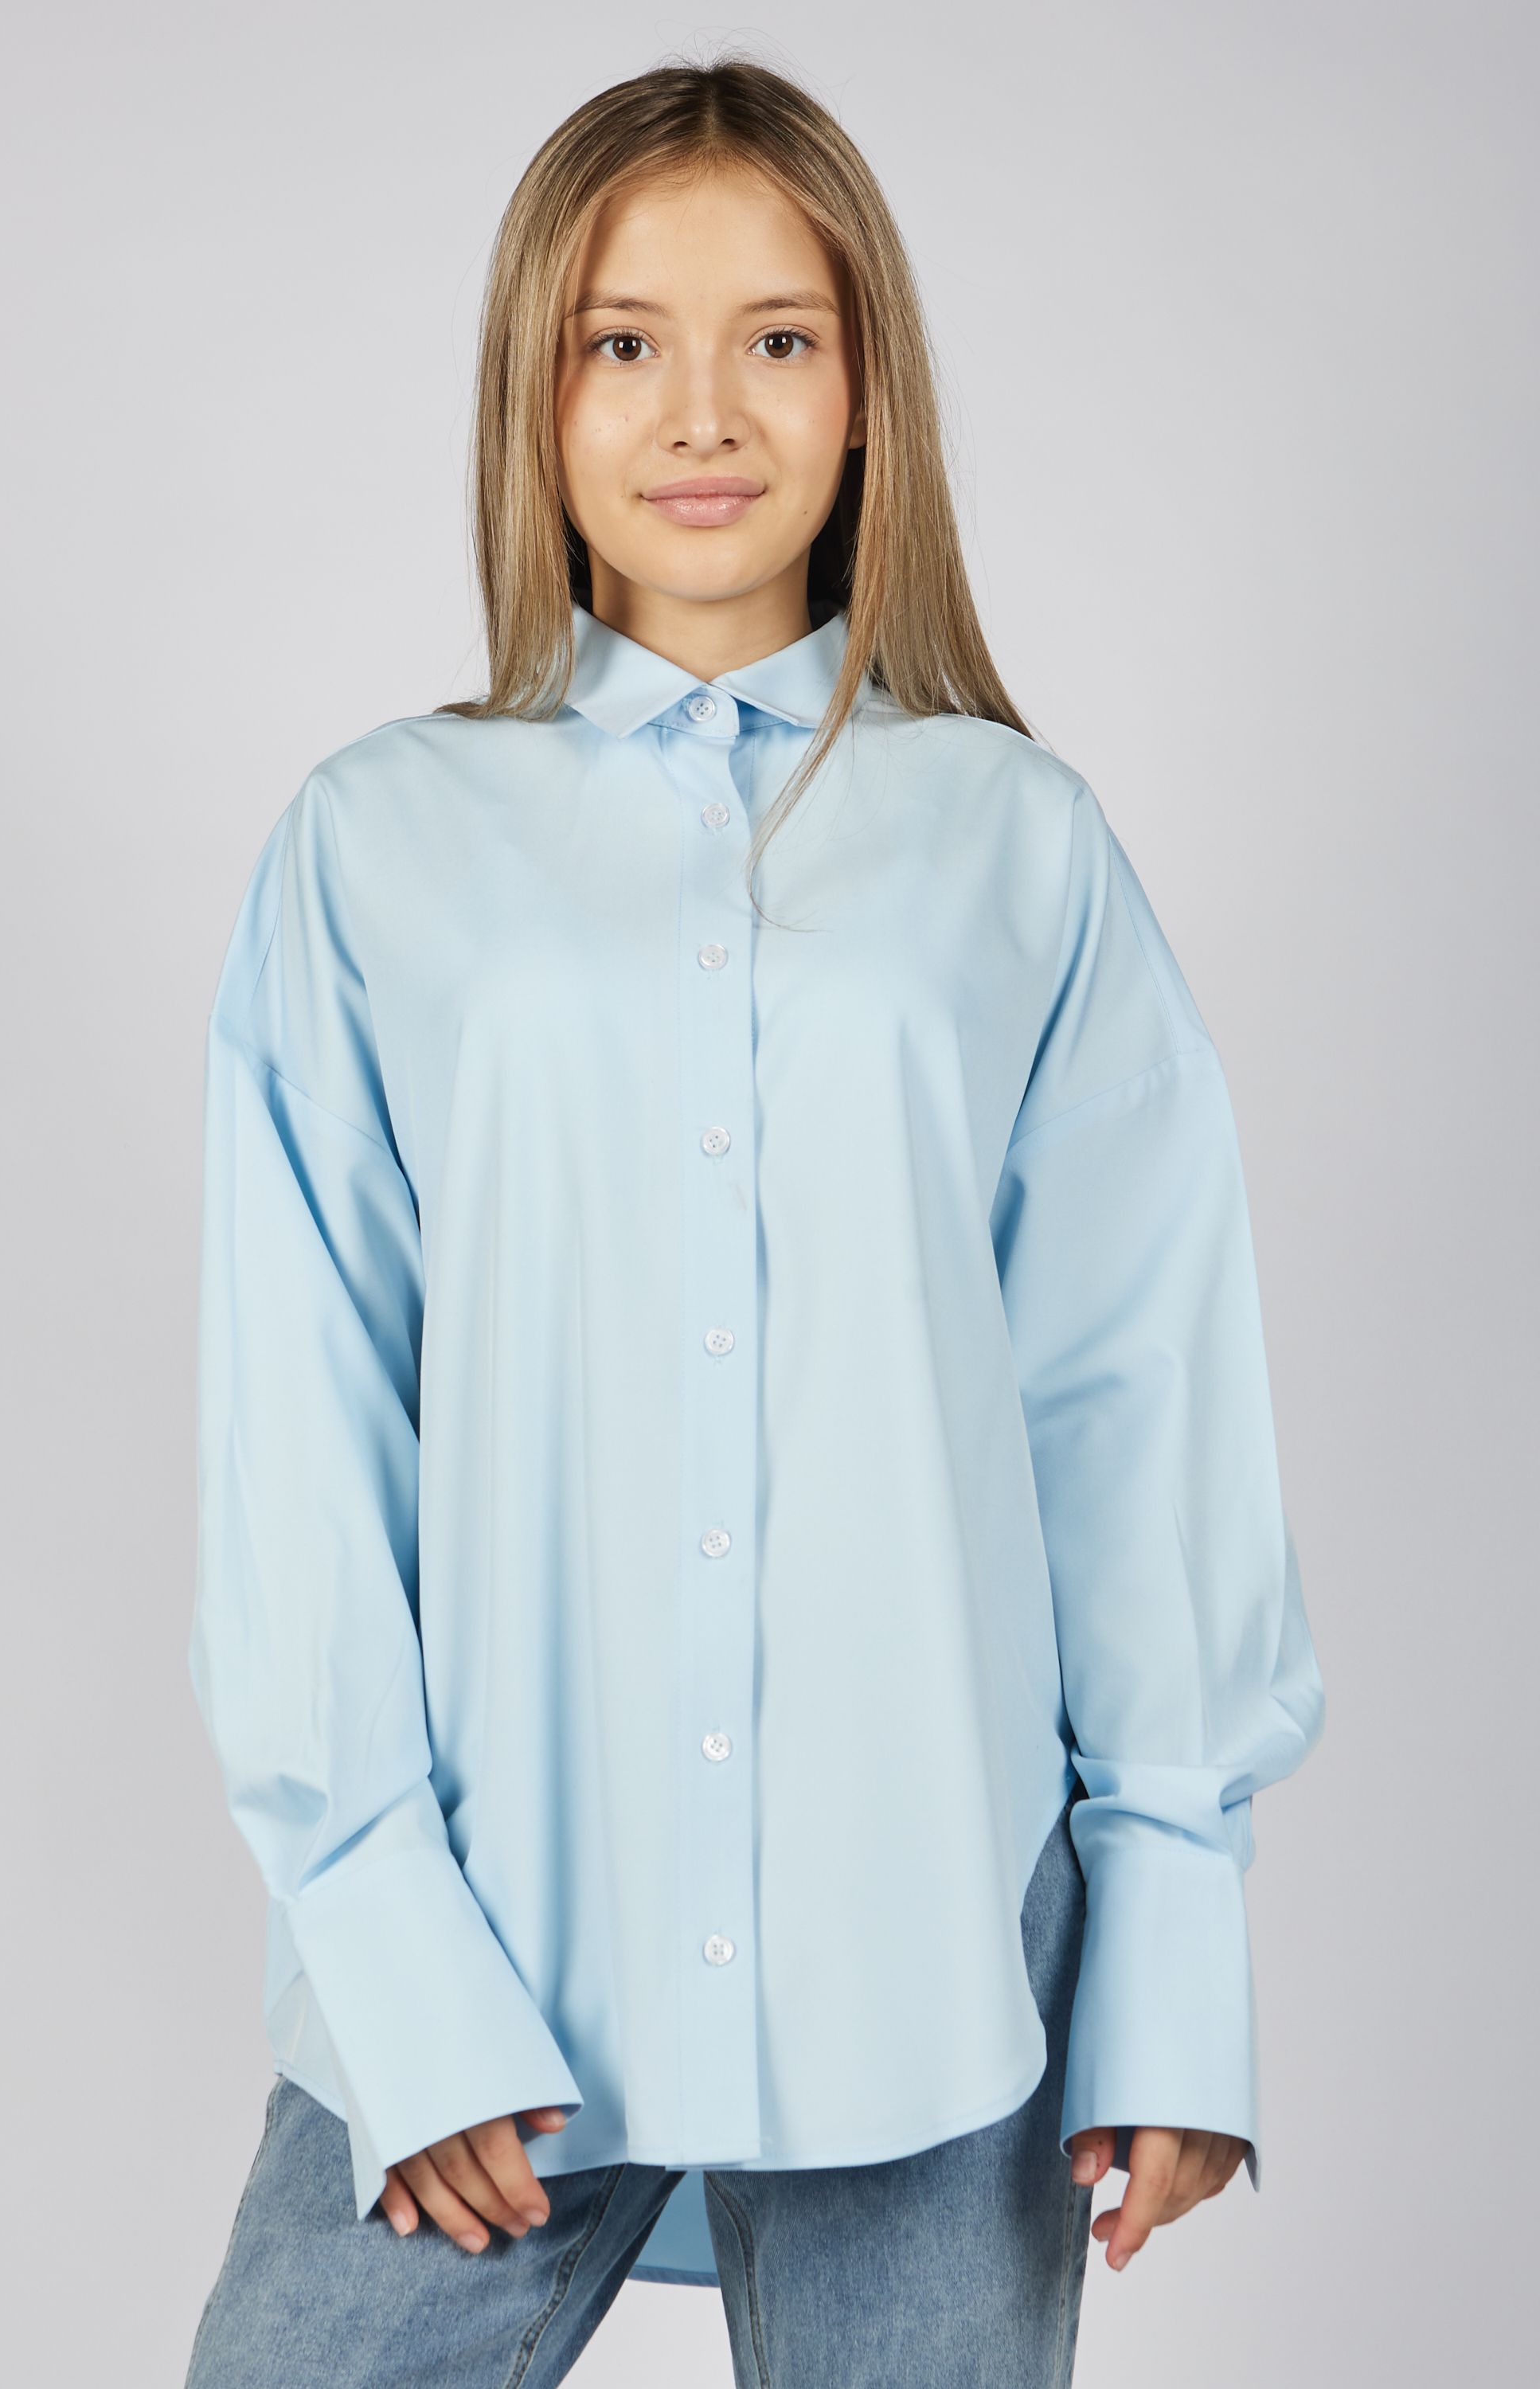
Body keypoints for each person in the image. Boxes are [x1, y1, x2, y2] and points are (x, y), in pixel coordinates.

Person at [182, 52, 1326, 2389]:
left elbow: (1136, 1409)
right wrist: (380, 1935)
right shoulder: (371, 849)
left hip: (934, 1958)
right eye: (624, 339)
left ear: (870, 390)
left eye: (778, 336)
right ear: (534, 393)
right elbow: (304, 1431)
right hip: (493, 1939)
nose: (702, 409)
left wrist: (1174, 1947)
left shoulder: (1020, 849)